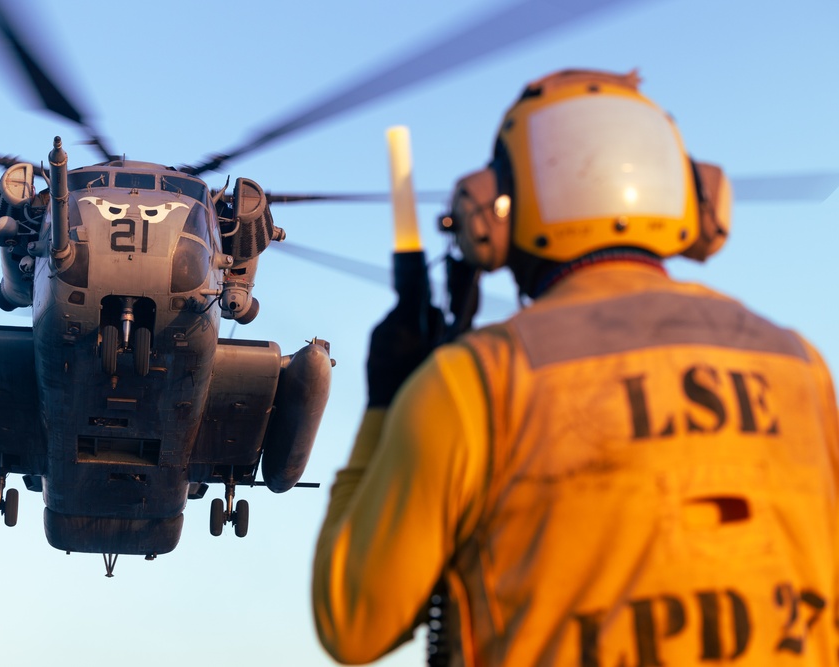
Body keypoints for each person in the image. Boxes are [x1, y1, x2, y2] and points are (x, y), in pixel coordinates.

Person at [312, 69, 839, 666]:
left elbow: (353, 623)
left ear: (492, 213)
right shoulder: (800, 366)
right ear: (698, 195)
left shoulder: (477, 380)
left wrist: (389, 400)